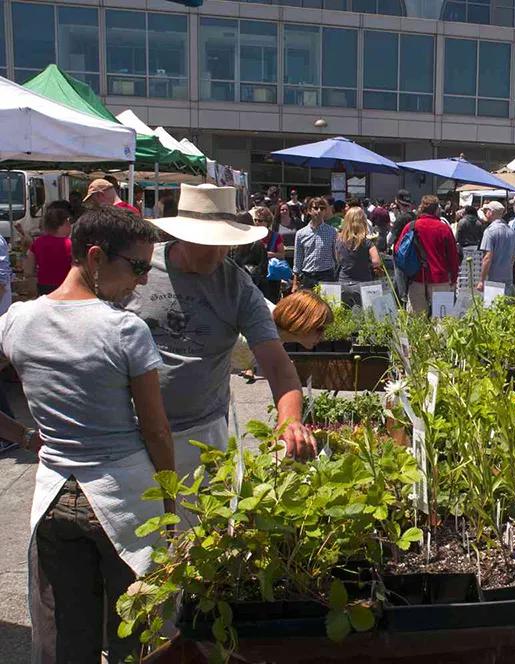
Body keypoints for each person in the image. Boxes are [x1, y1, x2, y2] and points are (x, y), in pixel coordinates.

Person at [2, 206, 174, 662]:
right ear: (95, 257)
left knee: (66, 640)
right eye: (137, 266)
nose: (141, 280)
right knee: (133, 637)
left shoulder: (18, 320)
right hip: (124, 498)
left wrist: (22, 435)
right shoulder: (125, 330)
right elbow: (155, 430)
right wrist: (171, 499)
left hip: (54, 497)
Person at [129, 183, 316, 482]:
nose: (218, 254)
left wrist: (290, 422)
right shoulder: (139, 268)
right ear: (182, 236)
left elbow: (279, 367)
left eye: (226, 243)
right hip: (130, 433)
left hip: (200, 435)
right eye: (207, 242)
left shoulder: (238, 286)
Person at [394, 195, 459, 315]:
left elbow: (398, 250)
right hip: (440, 279)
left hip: (417, 277)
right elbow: (453, 257)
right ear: (437, 210)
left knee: (418, 320)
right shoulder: (444, 228)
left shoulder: (411, 226)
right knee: (442, 319)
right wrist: (454, 278)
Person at [336, 207, 382, 308]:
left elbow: (337, 259)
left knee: (344, 317)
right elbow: (376, 262)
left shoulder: (339, 240)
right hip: (363, 284)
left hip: (343, 283)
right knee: (362, 319)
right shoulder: (367, 242)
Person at [25, 206, 73, 296]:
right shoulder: (71, 245)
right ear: (64, 223)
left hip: (44, 288)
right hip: (67, 287)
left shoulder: (37, 243)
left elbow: (28, 271)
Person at [293, 197, 338, 290]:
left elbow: (336, 255)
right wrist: (295, 282)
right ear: (309, 211)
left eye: (322, 208)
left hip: (326, 274)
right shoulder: (301, 233)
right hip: (308, 275)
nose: (319, 211)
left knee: (327, 303)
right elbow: (298, 258)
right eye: (316, 208)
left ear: (325, 211)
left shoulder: (332, 232)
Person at [478, 201, 515, 294]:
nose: (485, 213)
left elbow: (487, 258)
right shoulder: (511, 231)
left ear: (491, 212)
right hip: (508, 276)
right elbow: (513, 256)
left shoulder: (489, 232)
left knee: (492, 305)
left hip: (493, 278)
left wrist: (482, 280)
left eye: (486, 211)